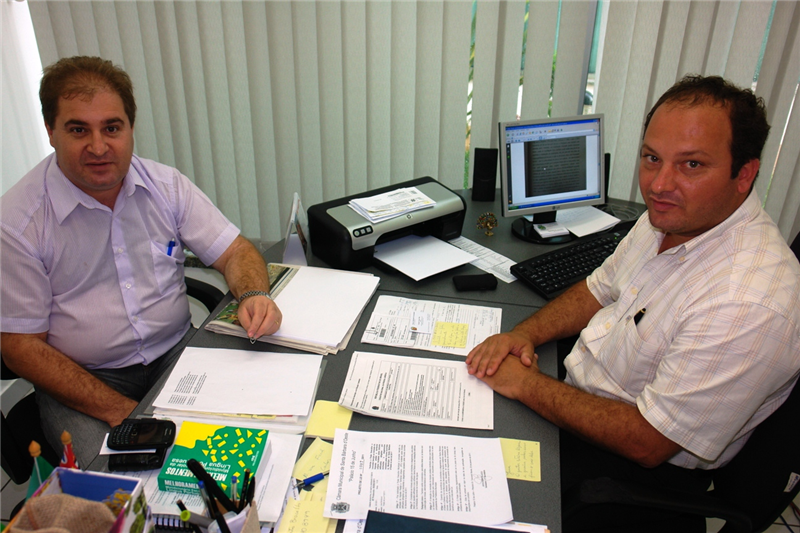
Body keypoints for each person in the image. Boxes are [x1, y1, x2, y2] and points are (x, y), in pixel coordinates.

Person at [466, 75, 800, 531]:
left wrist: (526, 385)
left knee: (460, 491)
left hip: (633, 475)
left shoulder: (748, 301)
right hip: (586, 398)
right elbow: (598, 288)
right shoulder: (671, 217)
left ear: (744, 174)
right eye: (652, 158)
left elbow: (649, 441)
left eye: (692, 165)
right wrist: (522, 335)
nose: (659, 184)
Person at [0, 56, 283, 467]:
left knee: (256, 442)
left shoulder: (165, 185)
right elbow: (20, 347)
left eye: (112, 128)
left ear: (130, 128)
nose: (98, 147)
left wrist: (254, 293)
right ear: (50, 131)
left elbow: (235, 251)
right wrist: (123, 410)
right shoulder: (18, 222)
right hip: (83, 380)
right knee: (121, 485)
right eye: (79, 129)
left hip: (175, 354)